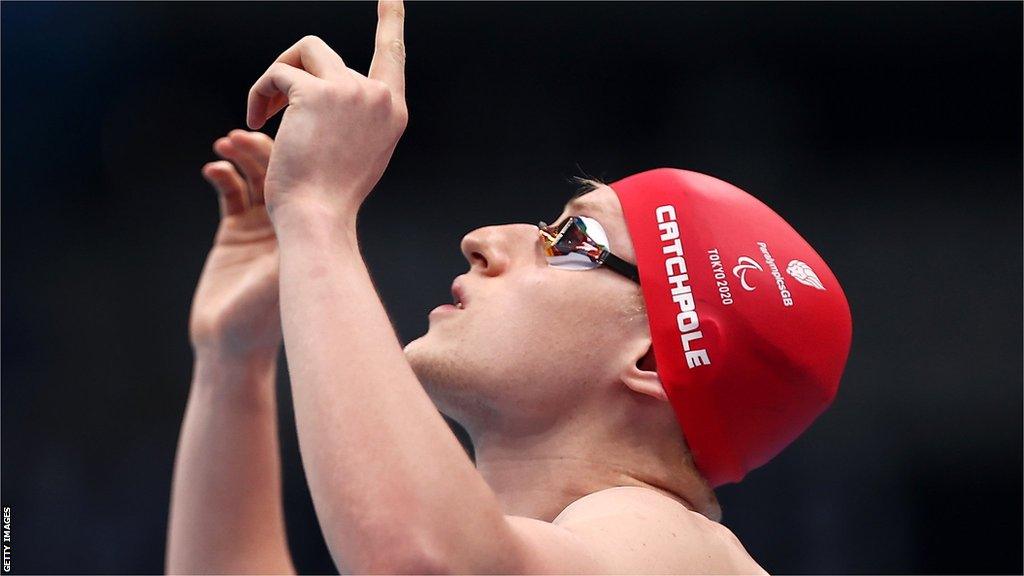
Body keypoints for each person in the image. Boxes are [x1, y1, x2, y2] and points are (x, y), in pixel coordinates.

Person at [166, 2, 851, 573]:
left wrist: (318, 212)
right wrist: (235, 363)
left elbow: (422, 560)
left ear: (650, 359)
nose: (484, 240)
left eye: (570, 241)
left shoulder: (674, 544)